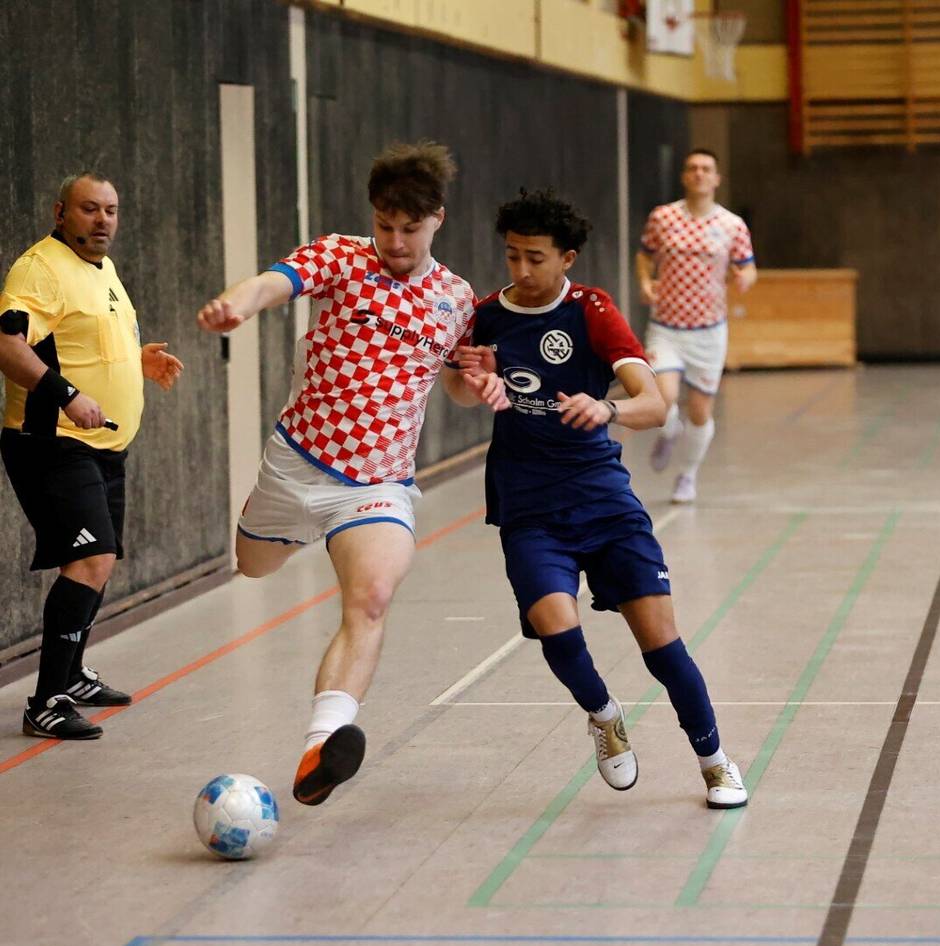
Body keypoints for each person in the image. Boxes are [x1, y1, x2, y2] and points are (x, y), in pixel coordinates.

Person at [196, 141, 506, 807]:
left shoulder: (455, 299)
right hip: (295, 466)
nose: (394, 241)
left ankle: (322, 743)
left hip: (377, 486)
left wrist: (474, 384)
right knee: (252, 567)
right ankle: (280, 532)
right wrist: (240, 304)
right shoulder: (340, 256)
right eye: (385, 224)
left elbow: (452, 384)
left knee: (370, 599)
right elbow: (274, 281)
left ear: (437, 221)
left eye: (410, 229)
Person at [455, 188, 747, 808]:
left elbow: (653, 401)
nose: (523, 271)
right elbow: (460, 390)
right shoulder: (486, 314)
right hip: (528, 503)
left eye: (536, 258)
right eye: (512, 257)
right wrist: (471, 381)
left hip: (601, 498)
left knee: (662, 646)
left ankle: (715, 761)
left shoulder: (591, 310)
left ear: (568, 258)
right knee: (554, 625)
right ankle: (604, 716)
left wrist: (606, 405)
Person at [0, 172, 184, 740]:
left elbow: (88, 340)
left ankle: (74, 674)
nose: (102, 219)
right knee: (92, 560)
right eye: (89, 209)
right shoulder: (40, 270)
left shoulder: (100, 268)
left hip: (105, 446)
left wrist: (136, 360)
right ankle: (47, 700)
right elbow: (8, 345)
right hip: (52, 442)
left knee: (99, 561)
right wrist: (68, 395)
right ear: (61, 213)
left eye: (111, 209)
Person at [635, 148, 756, 504]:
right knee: (664, 397)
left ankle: (687, 476)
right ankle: (669, 430)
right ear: (684, 176)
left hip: (708, 331)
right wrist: (644, 282)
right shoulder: (663, 218)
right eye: (692, 168)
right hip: (667, 327)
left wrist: (744, 279)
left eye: (706, 169)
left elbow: (748, 266)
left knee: (700, 411)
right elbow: (644, 256)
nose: (699, 173)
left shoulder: (732, 225)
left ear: (717, 179)